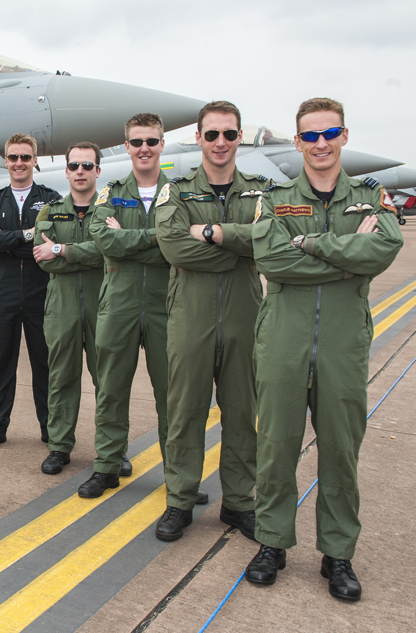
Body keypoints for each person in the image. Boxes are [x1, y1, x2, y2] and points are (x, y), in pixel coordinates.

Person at [244, 98, 402, 601]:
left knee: (340, 449)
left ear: (344, 135)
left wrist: (310, 245)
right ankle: (272, 542)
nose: (320, 144)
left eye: (328, 133)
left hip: (343, 342)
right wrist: (345, 252)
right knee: (275, 447)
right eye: (310, 136)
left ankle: (338, 554)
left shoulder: (371, 196)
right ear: (297, 142)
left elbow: (383, 249)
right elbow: (271, 259)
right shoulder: (273, 198)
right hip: (283, 341)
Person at [154, 101, 272, 541]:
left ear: (239, 137)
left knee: (243, 414)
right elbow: (174, 249)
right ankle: (180, 501)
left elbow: (270, 244)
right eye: (211, 134)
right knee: (185, 412)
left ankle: (239, 503)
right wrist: (240, 251)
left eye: (228, 134)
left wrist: (212, 233)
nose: (220, 142)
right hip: (190, 319)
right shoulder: (178, 191)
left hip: (245, 319)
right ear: (198, 139)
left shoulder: (261, 192)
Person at [86, 113, 202, 500]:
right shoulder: (110, 191)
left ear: (162, 144)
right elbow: (104, 240)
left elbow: (182, 245)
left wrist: (134, 239)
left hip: (167, 305)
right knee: (110, 389)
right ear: (127, 146)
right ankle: (107, 466)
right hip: (117, 305)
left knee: (173, 396)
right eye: (136, 142)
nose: (144, 149)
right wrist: (160, 240)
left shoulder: (181, 193)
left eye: (151, 141)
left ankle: (178, 477)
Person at [0, 133, 62, 451]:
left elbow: (52, 240)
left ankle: (51, 428)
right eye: (13, 157)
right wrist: (27, 235)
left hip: (43, 290)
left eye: (25, 157)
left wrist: (8, 239)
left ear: (35, 160)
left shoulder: (52, 200)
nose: (19, 163)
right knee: (0, 361)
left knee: (46, 362)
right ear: (6, 161)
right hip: (4, 290)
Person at [31, 143, 108, 478]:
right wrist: (83, 255)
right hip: (61, 305)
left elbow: (110, 251)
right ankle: (59, 446)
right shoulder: (49, 212)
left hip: (103, 303)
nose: (80, 171)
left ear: (97, 171)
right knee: (62, 377)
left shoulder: (107, 212)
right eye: (74, 165)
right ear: (66, 171)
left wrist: (61, 251)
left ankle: (111, 450)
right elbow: (41, 257)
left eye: (87, 165)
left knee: (108, 381)